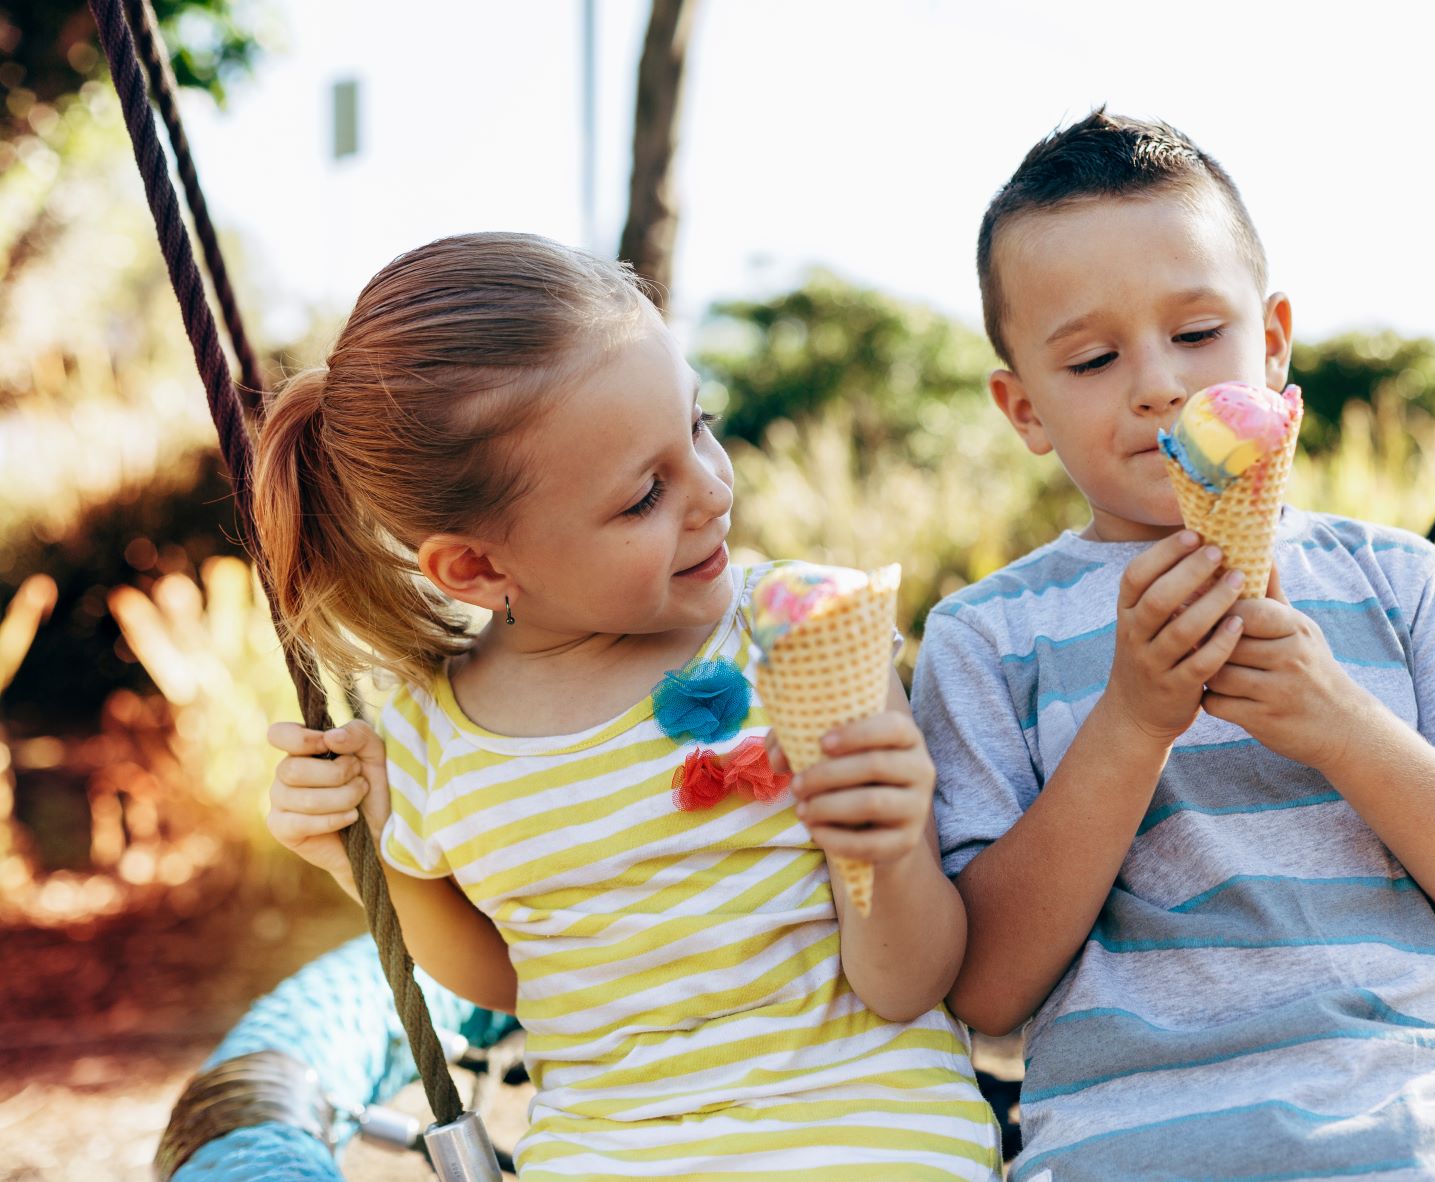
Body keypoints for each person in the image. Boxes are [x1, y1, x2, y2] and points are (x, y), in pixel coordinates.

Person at [914, 110, 1435, 1180]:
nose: (1157, 385)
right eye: (1091, 358)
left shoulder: (1395, 582)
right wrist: (1130, 724)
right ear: (1022, 406)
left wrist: (1343, 724)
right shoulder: (986, 638)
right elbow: (986, 993)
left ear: (1272, 343)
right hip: (1136, 1154)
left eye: (1196, 335)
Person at [259, 232, 999, 1179]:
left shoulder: (804, 635)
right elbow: (522, 983)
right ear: (478, 568)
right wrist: (365, 854)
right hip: (605, 1150)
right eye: (646, 495)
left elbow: (907, 984)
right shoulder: (426, 731)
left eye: (699, 425)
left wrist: (890, 851)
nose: (713, 491)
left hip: (859, 1125)